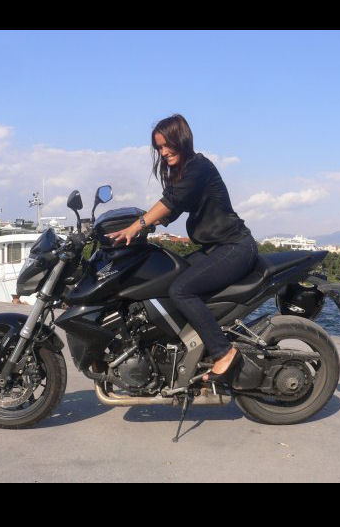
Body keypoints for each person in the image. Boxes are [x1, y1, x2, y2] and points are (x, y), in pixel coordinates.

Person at [106, 114, 258, 384]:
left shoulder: (199, 167)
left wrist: (135, 227)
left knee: (181, 289)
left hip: (234, 246)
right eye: (159, 148)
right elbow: (169, 210)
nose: (163, 152)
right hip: (215, 248)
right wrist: (136, 223)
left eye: (167, 145)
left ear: (182, 140)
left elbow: (170, 202)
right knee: (168, 277)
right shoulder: (184, 173)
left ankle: (223, 352)